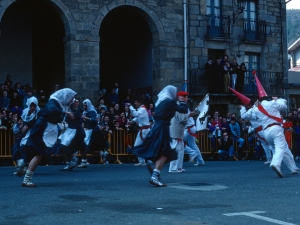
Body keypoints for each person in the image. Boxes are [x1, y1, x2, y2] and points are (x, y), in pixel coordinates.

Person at [127, 85, 188, 187]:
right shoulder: (170, 102)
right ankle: (154, 176)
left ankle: (152, 164)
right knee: (165, 152)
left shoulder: (160, 102)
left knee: (160, 150)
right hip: (162, 128)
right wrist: (182, 101)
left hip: (157, 127)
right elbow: (183, 110)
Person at [20, 88, 76, 187]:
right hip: (42, 130)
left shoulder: (59, 103)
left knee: (38, 153)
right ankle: (26, 177)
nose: (71, 100)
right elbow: (50, 111)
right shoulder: (53, 101)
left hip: (45, 130)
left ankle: (25, 173)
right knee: (39, 153)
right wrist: (65, 113)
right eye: (71, 98)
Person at [12, 97, 40, 176]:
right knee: (20, 146)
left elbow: (37, 123)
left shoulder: (38, 112)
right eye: (31, 106)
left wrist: (28, 126)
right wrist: (24, 126)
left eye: (34, 106)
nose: (32, 108)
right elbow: (25, 121)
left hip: (35, 133)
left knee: (31, 148)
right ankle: (22, 165)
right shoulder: (26, 112)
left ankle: (26, 166)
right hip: (27, 133)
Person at [57, 99, 86, 171]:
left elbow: (74, 116)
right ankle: (69, 163)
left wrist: (74, 110)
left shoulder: (77, 110)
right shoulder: (66, 109)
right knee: (62, 145)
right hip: (69, 130)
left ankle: (76, 160)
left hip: (76, 131)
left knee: (75, 146)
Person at [168, 91, 189, 173]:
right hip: (175, 130)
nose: (187, 99)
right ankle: (173, 168)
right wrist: (188, 116)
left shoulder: (179, 105)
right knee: (175, 149)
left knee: (180, 149)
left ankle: (179, 167)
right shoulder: (180, 105)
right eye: (186, 97)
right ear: (182, 97)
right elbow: (181, 119)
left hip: (178, 131)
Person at [128, 97, 151, 166]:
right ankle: (144, 160)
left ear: (140, 102)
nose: (135, 104)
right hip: (144, 130)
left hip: (144, 130)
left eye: (136, 102)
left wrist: (130, 107)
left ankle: (144, 160)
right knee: (145, 145)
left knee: (137, 145)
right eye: (134, 102)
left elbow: (137, 114)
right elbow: (138, 116)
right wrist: (133, 121)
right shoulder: (142, 109)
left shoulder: (143, 109)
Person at [77, 99, 99, 168]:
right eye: (83, 105)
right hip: (86, 130)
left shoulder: (91, 111)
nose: (84, 106)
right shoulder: (84, 111)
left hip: (91, 131)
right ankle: (84, 160)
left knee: (86, 146)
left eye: (85, 105)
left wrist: (86, 118)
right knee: (84, 146)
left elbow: (94, 120)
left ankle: (84, 160)